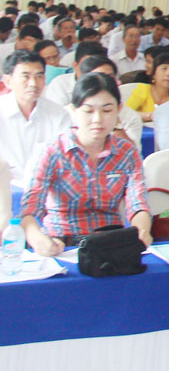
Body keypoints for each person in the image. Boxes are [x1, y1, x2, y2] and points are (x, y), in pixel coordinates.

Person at [19, 72, 152, 254]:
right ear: (74, 111)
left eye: (107, 110)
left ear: (119, 110)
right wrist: (37, 240)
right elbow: (30, 208)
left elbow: (138, 203)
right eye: (88, 111)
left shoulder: (127, 152)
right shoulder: (53, 151)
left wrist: (141, 231)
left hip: (109, 244)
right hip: (61, 244)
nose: (97, 119)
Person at [0, 50, 72, 185]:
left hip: (45, 187)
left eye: (39, 76)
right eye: (25, 76)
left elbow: (65, 159)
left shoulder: (58, 114)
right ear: (8, 81)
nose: (33, 83)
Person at [74, 55, 143, 149]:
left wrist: (116, 123)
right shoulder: (68, 113)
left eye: (110, 77)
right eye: (89, 111)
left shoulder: (130, 116)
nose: (97, 119)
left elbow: (133, 152)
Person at [44, 41, 107, 108]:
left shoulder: (108, 83)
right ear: (75, 66)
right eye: (86, 66)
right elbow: (57, 112)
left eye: (96, 68)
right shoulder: (60, 84)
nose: (91, 72)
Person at [125, 50, 169, 122]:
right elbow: (125, 113)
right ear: (154, 74)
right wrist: (151, 116)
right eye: (164, 68)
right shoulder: (143, 90)